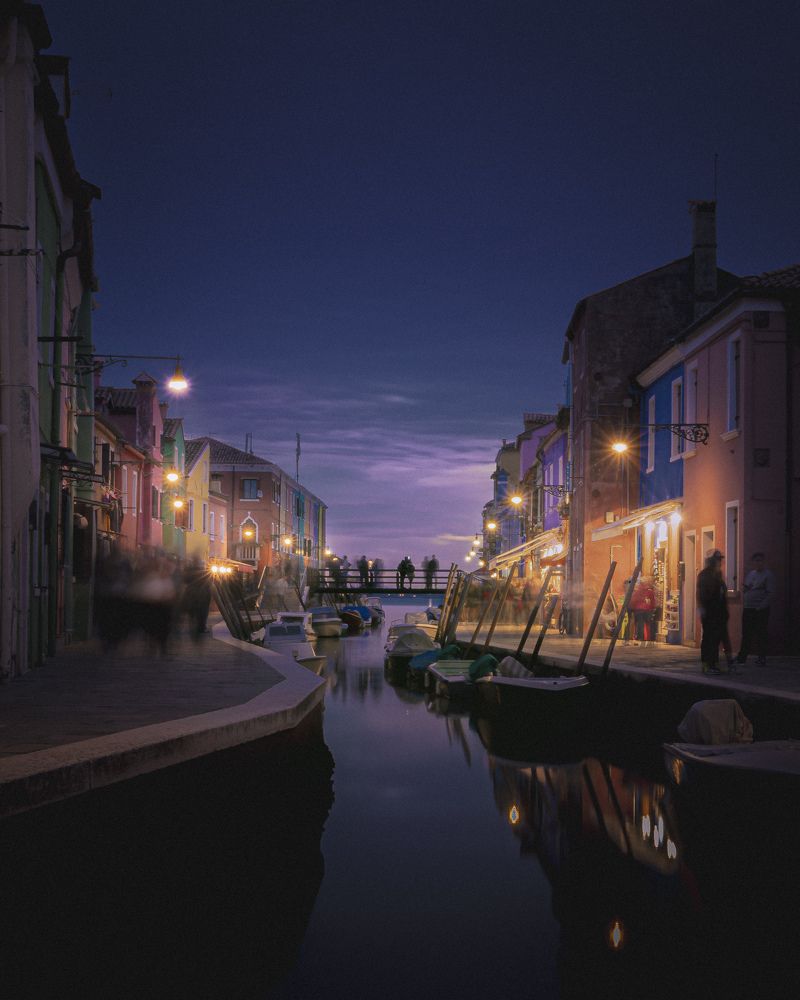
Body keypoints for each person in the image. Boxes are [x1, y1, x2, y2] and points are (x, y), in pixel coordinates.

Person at [697, 550, 735, 673]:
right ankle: (708, 664)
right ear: (711, 561)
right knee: (710, 638)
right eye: (717, 560)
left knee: (723, 638)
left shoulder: (718, 575)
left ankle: (728, 663)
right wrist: (703, 610)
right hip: (710, 612)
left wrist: (725, 611)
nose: (720, 562)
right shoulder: (705, 575)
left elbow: (722, 594)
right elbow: (704, 595)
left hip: (720, 613)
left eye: (720, 560)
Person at [737, 552, 775, 666]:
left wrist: (762, 606)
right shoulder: (751, 574)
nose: (758, 563)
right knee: (746, 633)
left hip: (760, 609)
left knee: (761, 633)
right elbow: (748, 588)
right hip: (748, 607)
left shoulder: (768, 575)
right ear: (753, 562)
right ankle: (742, 657)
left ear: (763, 562)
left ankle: (761, 658)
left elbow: (770, 593)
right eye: (756, 561)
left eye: (760, 560)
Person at [628, 576, 656, 645]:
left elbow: (634, 600)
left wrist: (632, 608)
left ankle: (640, 637)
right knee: (648, 624)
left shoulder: (637, 590)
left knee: (640, 624)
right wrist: (652, 608)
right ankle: (650, 638)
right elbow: (652, 601)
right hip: (647, 610)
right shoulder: (650, 591)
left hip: (638, 610)